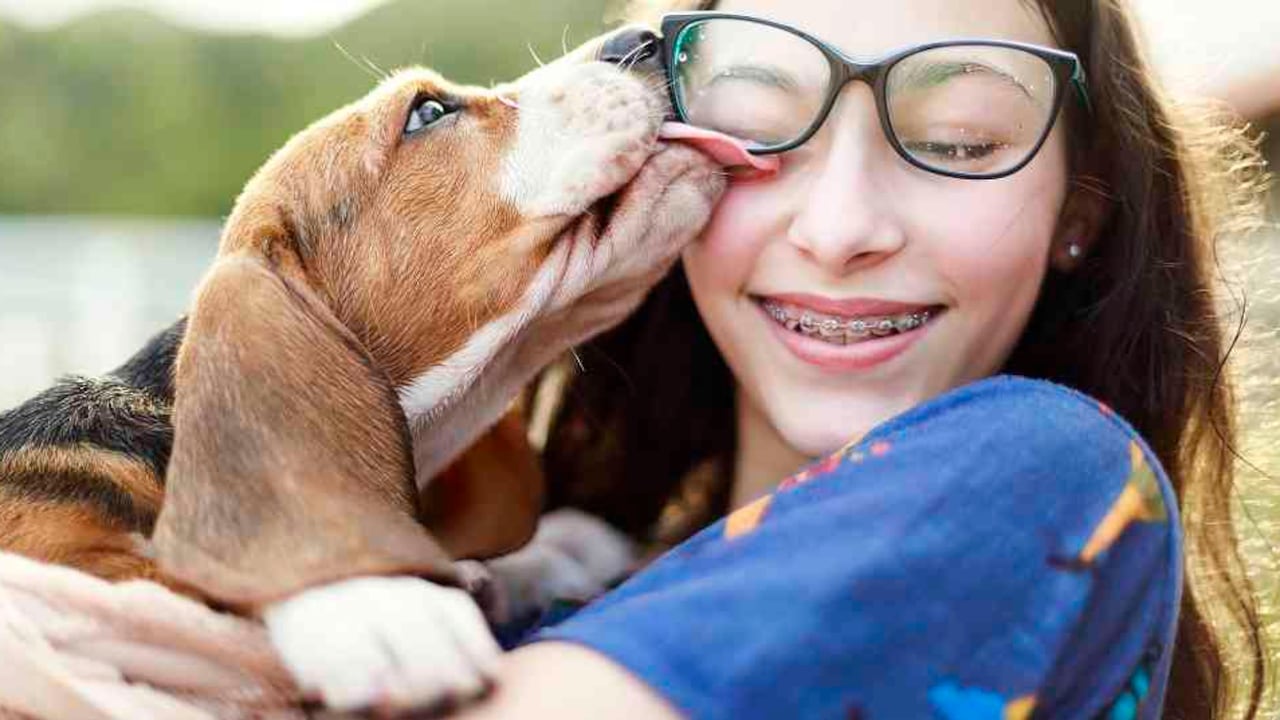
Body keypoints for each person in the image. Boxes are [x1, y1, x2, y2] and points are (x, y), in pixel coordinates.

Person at [454, 0, 1273, 718]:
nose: (839, 230)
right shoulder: (537, 563)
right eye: (755, 129)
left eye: (956, 144)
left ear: (1080, 214)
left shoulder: (1054, 461)